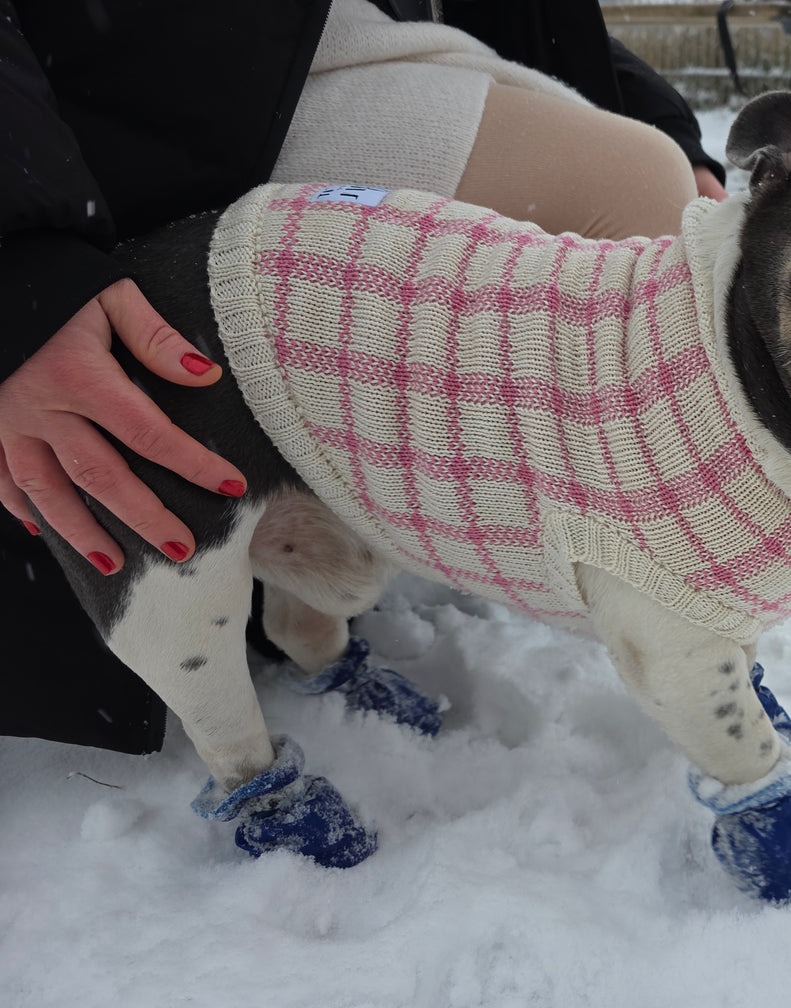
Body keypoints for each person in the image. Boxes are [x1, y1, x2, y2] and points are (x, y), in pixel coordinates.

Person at [0, 0, 728, 752]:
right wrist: (18, 255)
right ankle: (666, 600)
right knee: (631, 205)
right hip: (138, 81)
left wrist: (669, 128)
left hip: (358, 39)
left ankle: (324, 596)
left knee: (647, 197)